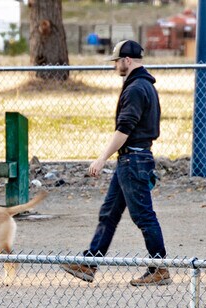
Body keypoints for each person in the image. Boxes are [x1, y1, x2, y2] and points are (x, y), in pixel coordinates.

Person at [61, 40, 171, 286]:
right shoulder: (145, 85)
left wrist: (101, 159)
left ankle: (160, 268)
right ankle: (89, 264)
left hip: (133, 160)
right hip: (133, 159)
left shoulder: (135, 89)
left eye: (117, 61)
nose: (115, 66)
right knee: (109, 213)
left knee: (143, 216)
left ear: (127, 61)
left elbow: (124, 129)